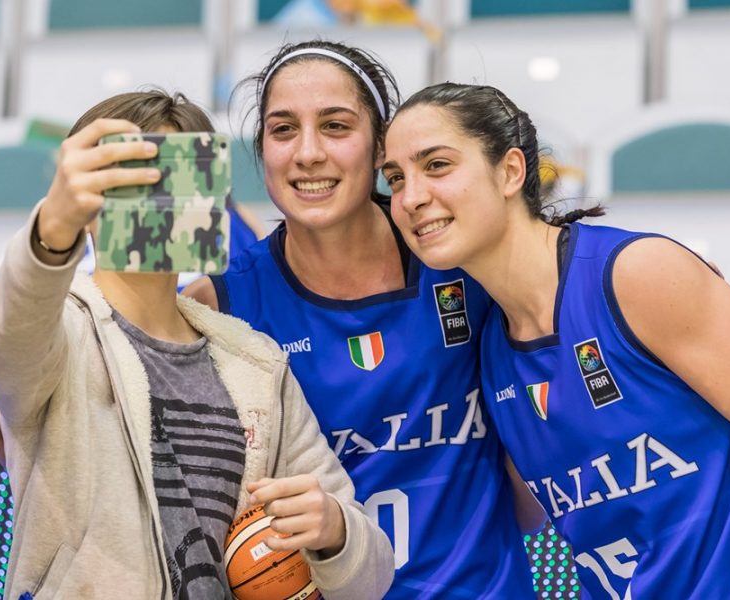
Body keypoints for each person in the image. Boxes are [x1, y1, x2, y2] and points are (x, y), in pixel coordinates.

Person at [381, 82, 730, 598]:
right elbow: (526, 512)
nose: (411, 197)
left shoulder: (636, 274)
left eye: (437, 165)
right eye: (395, 179)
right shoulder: (492, 346)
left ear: (510, 171)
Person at [0, 90, 393, 600]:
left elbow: (370, 576)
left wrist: (337, 532)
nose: (161, 200)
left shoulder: (256, 362)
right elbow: (2, 341)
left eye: (181, 177)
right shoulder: (58, 334)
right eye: (134, 180)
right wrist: (51, 228)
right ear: (86, 201)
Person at [184, 41, 539, 597]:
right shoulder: (218, 304)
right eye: (283, 130)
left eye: (335, 126)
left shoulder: (462, 260)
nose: (307, 153)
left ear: (380, 147)